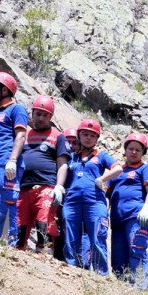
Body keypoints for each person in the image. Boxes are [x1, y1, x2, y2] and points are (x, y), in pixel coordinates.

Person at [99, 131, 148, 289]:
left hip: (136, 217)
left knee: (136, 250)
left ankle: (139, 288)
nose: (133, 152)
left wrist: (146, 207)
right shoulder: (118, 170)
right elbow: (108, 194)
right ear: (125, 149)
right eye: (131, 148)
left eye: (138, 150)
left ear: (143, 153)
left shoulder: (145, 169)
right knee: (117, 256)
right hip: (117, 220)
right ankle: (121, 288)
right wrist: (104, 211)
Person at [62, 118, 121, 275]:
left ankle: (101, 275)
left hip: (95, 202)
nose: (88, 138)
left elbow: (118, 168)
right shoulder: (72, 157)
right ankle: (72, 271)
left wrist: (102, 179)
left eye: (92, 135)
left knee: (97, 237)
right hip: (72, 202)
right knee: (71, 236)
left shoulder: (101, 156)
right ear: (79, 135)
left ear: (97, 138)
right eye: (85, 134)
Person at [17, 95, 69, 253]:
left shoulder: (57, 136)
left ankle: (45, 262)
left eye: (45, 115)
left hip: (46, 187)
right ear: (32, 113)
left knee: (43, 227)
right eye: (38, 113)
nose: (41, 118)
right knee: (20, 228)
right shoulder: (23, 135)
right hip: (23, 187)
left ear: (50, 117)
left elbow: (62, 164)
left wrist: (59, 186)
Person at [0, 72, 28, 244]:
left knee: (7, 203)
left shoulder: (17, 109)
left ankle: (6, 244)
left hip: (6, 163)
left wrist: (13, 160)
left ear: (4, 90)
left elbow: (21, 136)